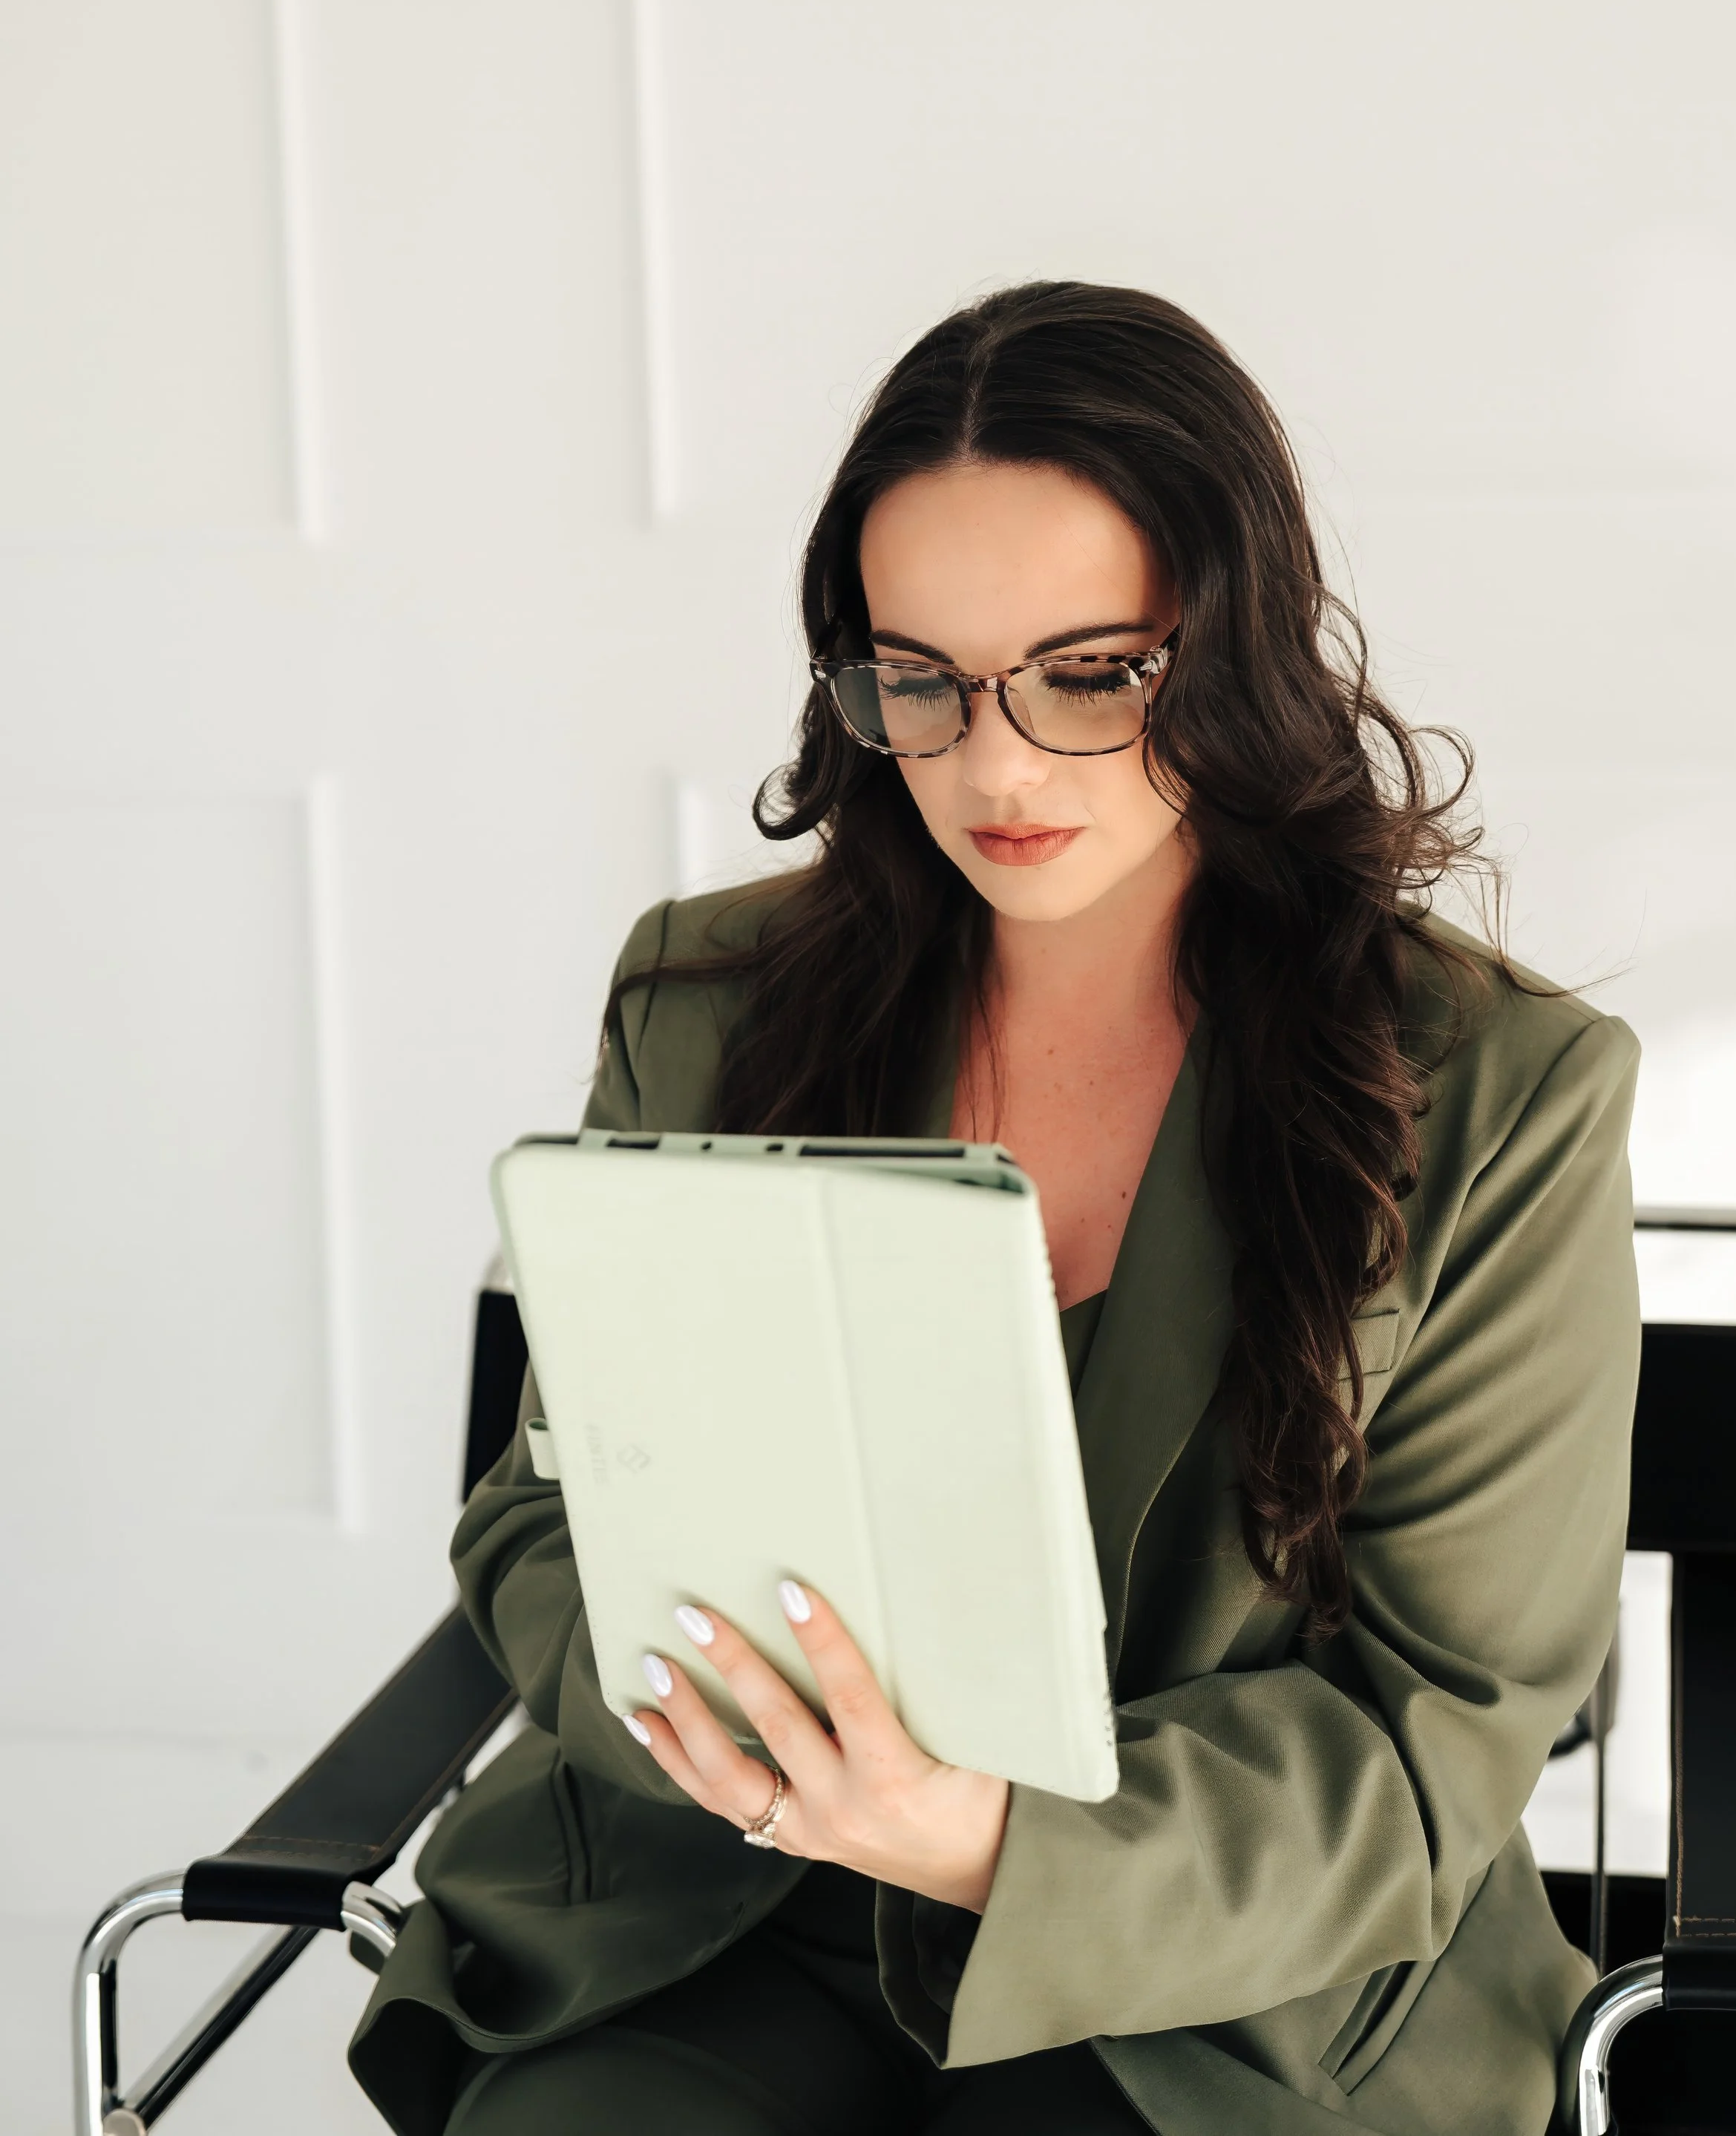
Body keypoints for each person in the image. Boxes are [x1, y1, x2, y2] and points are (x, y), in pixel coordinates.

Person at [350, 282, 1639, 2136]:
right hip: (709, 1919)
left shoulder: (1500, 1091)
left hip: (1215, 1997)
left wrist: (978, 1831)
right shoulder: (702, 1008)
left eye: (1087, 671)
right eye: (920, 682)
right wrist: (713, 1725)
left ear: (1234, 644)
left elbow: (1433, 1732)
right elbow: (545, 1517)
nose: (994, 763)